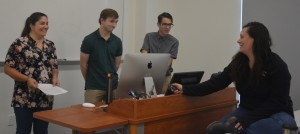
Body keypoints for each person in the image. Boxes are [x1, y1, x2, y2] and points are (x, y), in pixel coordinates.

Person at [172, 22, 297, 134]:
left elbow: (278, 102)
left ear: (255, 40)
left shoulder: (277, 65)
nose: (238, 40)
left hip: (276, 113)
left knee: (255, 129)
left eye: (242, 37)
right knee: (220, 129)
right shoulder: (239, 63)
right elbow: (217, 82)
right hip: (247, 110)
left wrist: (246, 121)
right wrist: (186, 89)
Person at [4, 12, 60, 134]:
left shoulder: (50, 45)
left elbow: (54, 66)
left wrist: (55, 77)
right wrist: (27, 79)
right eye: (42, 23)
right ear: (31, 25)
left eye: (47, 23)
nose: (45, 26)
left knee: (42, 131)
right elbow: (8, 69)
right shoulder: (19, 44)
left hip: (45, 99)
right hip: (24, 98)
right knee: (23, 131)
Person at [80, 8, 122, 103]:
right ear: (102, 20)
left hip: (113, 86)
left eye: (116, 22)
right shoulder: (89, 40)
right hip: (94, 87)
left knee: (114, 115)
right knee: (91, 116)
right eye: (111, 21)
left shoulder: (117, 41)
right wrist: (91, 81)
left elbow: (116, 64)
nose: (114, 25)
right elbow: (83, 65)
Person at [140, 12, 179, 93]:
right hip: (149, 76)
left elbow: (168, 62)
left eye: (170, 25)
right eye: (164, 24)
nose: (167, 27)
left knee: (162, 101)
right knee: (147, 101)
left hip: (165, 77)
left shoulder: (174, 42)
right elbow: (144, 56)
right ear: (158, 24)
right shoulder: (149, 36)